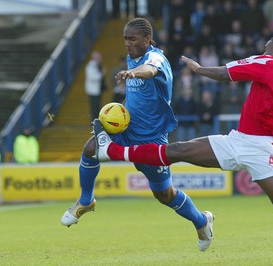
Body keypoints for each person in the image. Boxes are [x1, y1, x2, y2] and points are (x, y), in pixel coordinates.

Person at [92, 34, 273, 260]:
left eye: (267, 49)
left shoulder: (267, 62)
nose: (264, 52)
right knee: (177, 151)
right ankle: (111, 151)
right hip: (241, 141)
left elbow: (227, 73)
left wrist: (199, 68)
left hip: (258, 148)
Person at [61, 17, 214, 252]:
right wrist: (114, 115)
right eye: (125, 39)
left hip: (152, 139)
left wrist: (132, 74)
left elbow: (150, 70)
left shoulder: (155, 59)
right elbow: (135, 98)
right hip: (127, 131)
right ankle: (86, 201)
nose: (127, 43)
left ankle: (202, 222)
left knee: (165, 194)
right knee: (91, 148)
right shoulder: (132, 59)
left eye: (132, 39)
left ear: (147, 38)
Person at [85, 51, 107, 122]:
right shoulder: (91, 65)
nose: (101, 59)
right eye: (99, 57)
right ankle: (94, 122)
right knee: (95, 108)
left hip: (96, 90)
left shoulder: (96, 65)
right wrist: (102, 74)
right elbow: (92, 77)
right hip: (93, 90)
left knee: (96, 107)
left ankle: (95, 121)